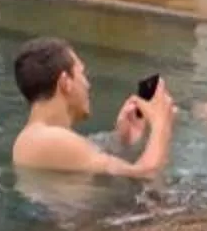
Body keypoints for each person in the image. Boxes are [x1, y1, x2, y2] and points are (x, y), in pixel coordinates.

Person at [9, 36, 174, 176]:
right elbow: (145, 175)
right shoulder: (46, 138)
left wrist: (123, 140)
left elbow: (104, 170)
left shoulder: (40, 138)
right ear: (66, 83)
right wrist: (161, 123)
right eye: (82, 74)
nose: (88, 84)